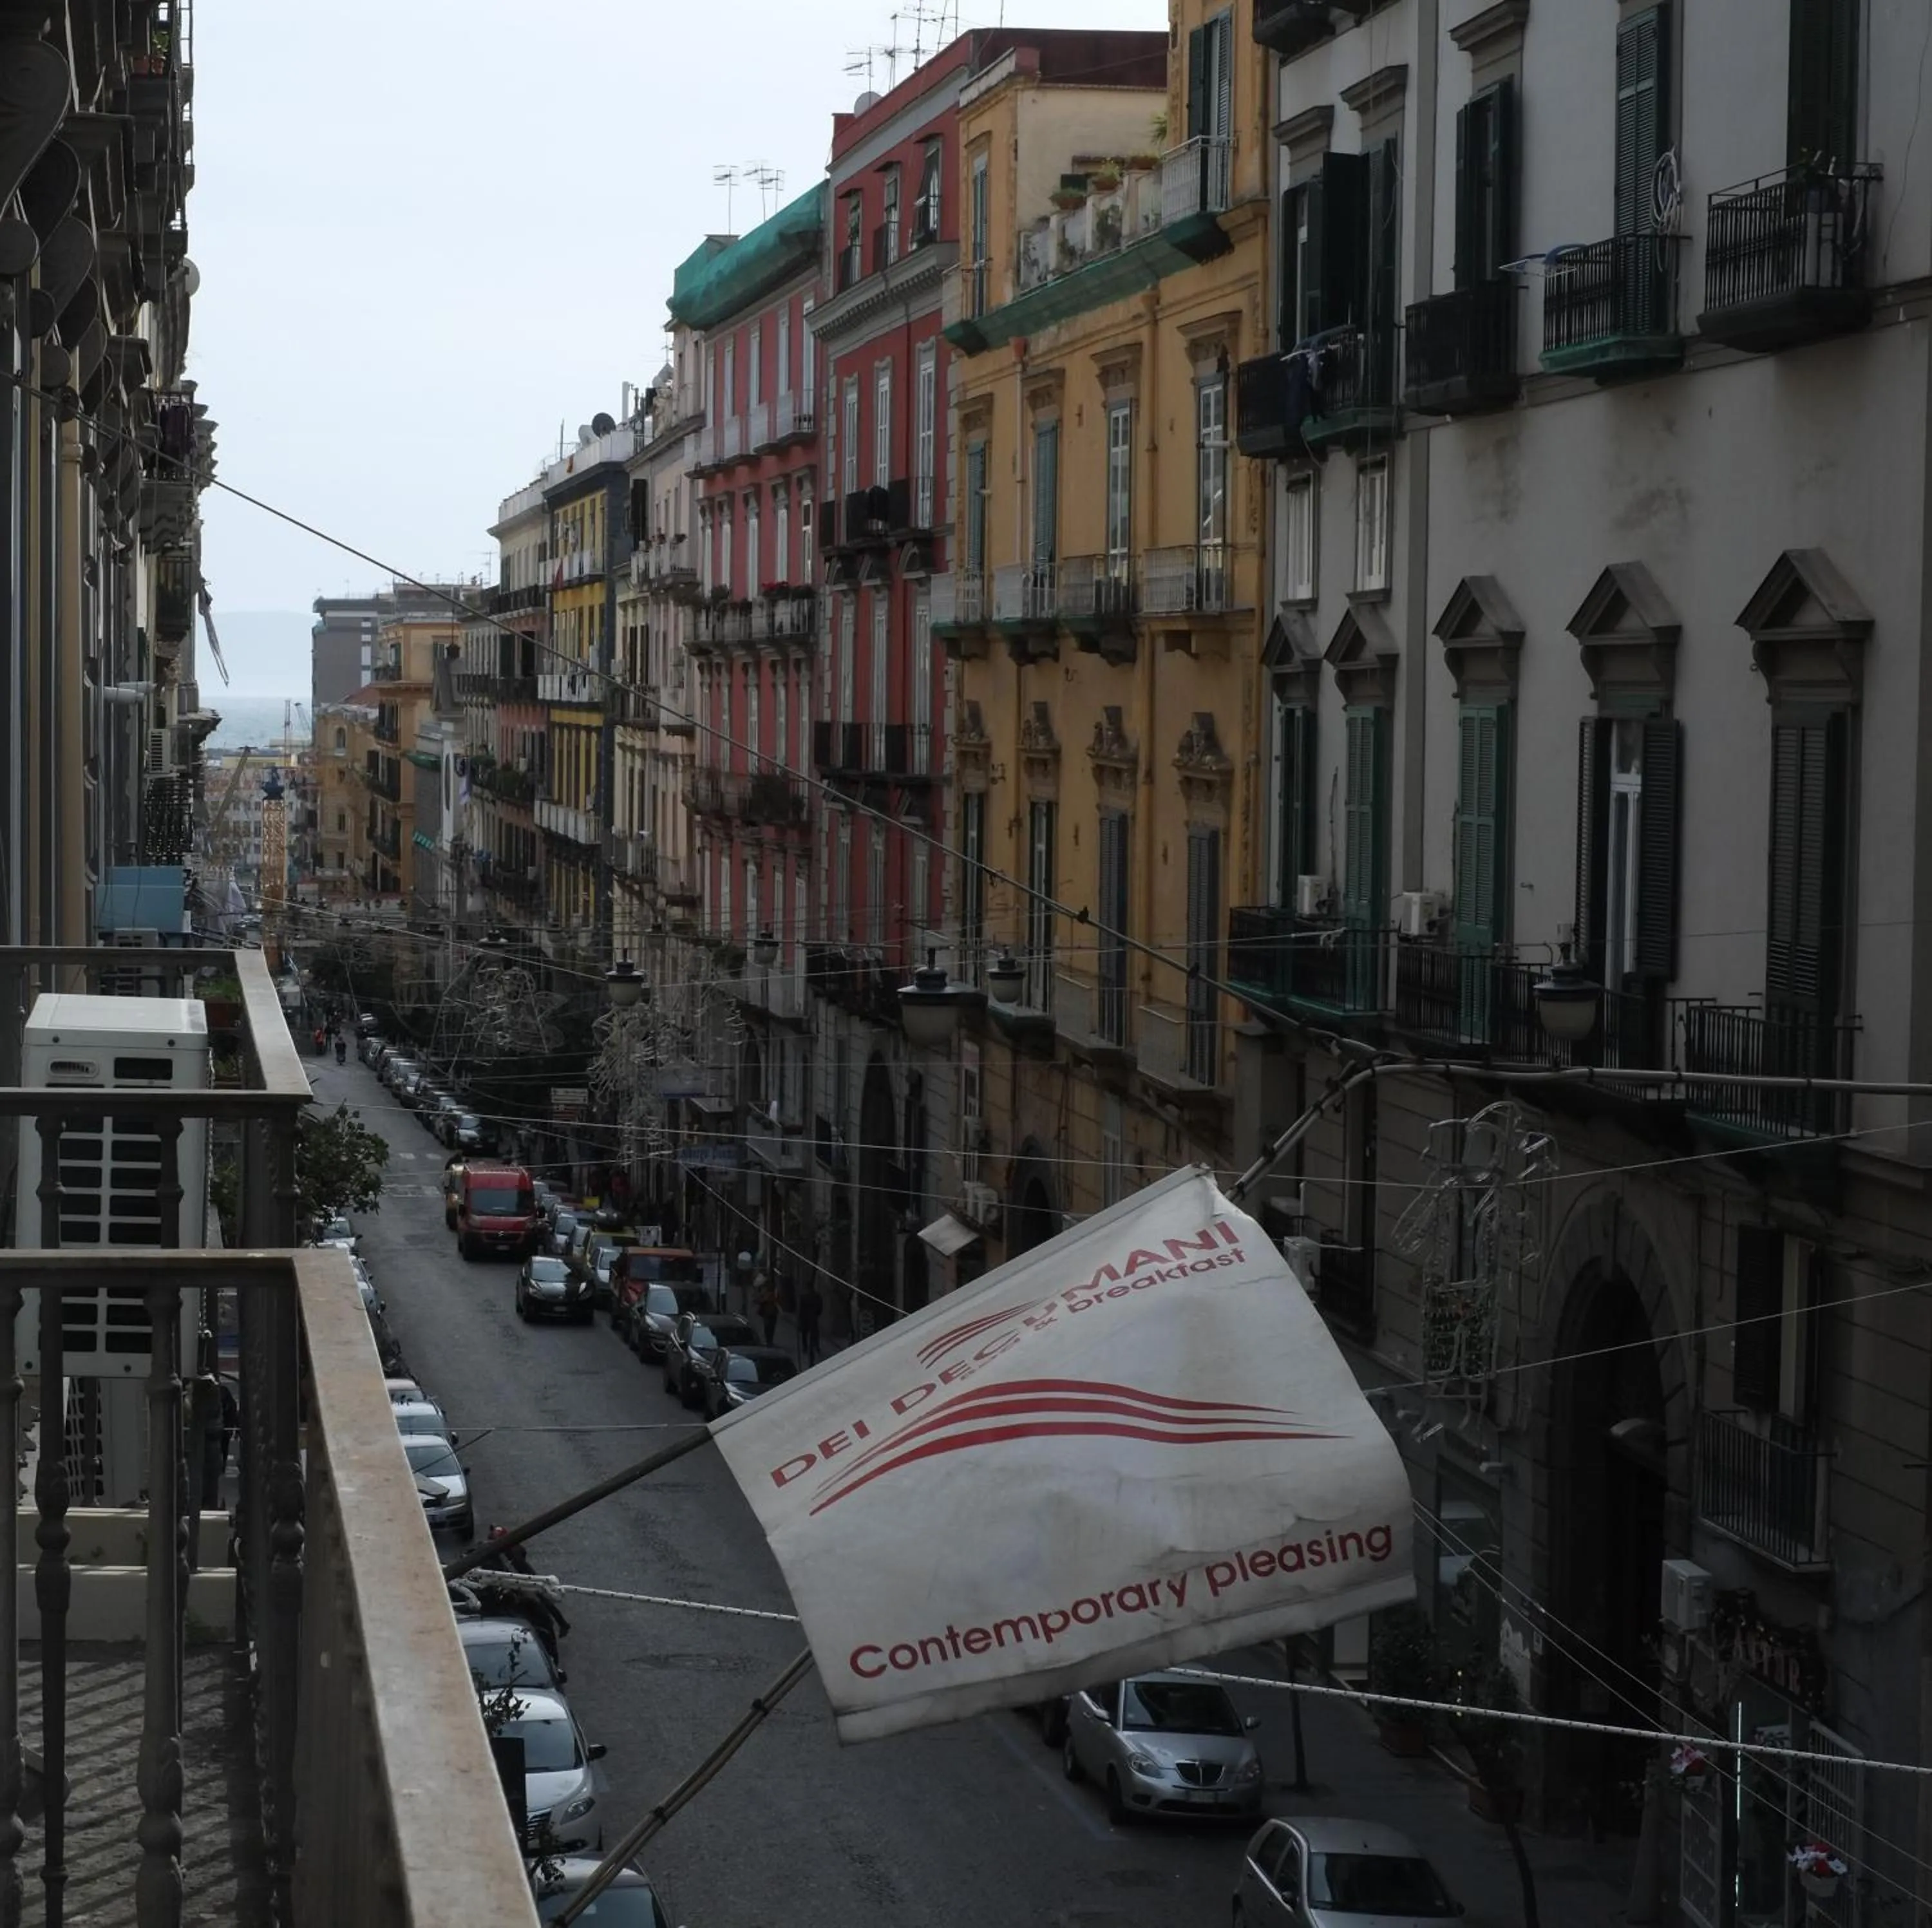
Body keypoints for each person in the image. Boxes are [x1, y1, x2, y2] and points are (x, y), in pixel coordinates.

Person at [796, 1278, 823, 1367]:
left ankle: (805, 1347)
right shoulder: (817, 1296)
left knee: (805, 1333)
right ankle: (816, 1347)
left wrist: (800, 1319)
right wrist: (816, 1314)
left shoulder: (804, 1297)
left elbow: (801, 1310)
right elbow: (820, 1308)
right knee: (814, 1334)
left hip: (806, 1318)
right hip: (813, 1318)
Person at [755, 1271, 781, 1348]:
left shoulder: (771, 1293)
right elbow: (760, 1300)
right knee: (769, 1328)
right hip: (769, 1313)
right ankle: (769, 1341)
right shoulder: (767, 1293)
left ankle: (769, 1341)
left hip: (770, 1313)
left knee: (769, 1328)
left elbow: (760, 1300)